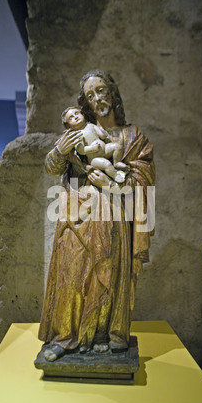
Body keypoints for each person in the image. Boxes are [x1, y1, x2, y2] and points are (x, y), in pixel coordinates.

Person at [38, 70, 155, 361]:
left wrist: (121, 184)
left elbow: (145, 177)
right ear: (84, 104)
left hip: (114, 212)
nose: (97, 98)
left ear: (113, 93)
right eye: (90, 95)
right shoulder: (78, 132)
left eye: (101, 90)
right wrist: (59, 151)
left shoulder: (132, 136)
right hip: (77, 212)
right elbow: (53, 166)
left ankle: (102, 333)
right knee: (72, 270)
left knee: (107, 271)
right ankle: (65, 336)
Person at [62, 106, 128, 183]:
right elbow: (81, 150)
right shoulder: (77, 135)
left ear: (82, 114)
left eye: (77, 113)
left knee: (118, 146)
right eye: (71, 118)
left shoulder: (91, 126)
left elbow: (101, 135)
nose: (76, 117)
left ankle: (117, 162)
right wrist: (92, 148)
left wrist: (104, 134)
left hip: (105, 149)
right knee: (107, 164)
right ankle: (115, 175)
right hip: (94, 158)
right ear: (68, 126)